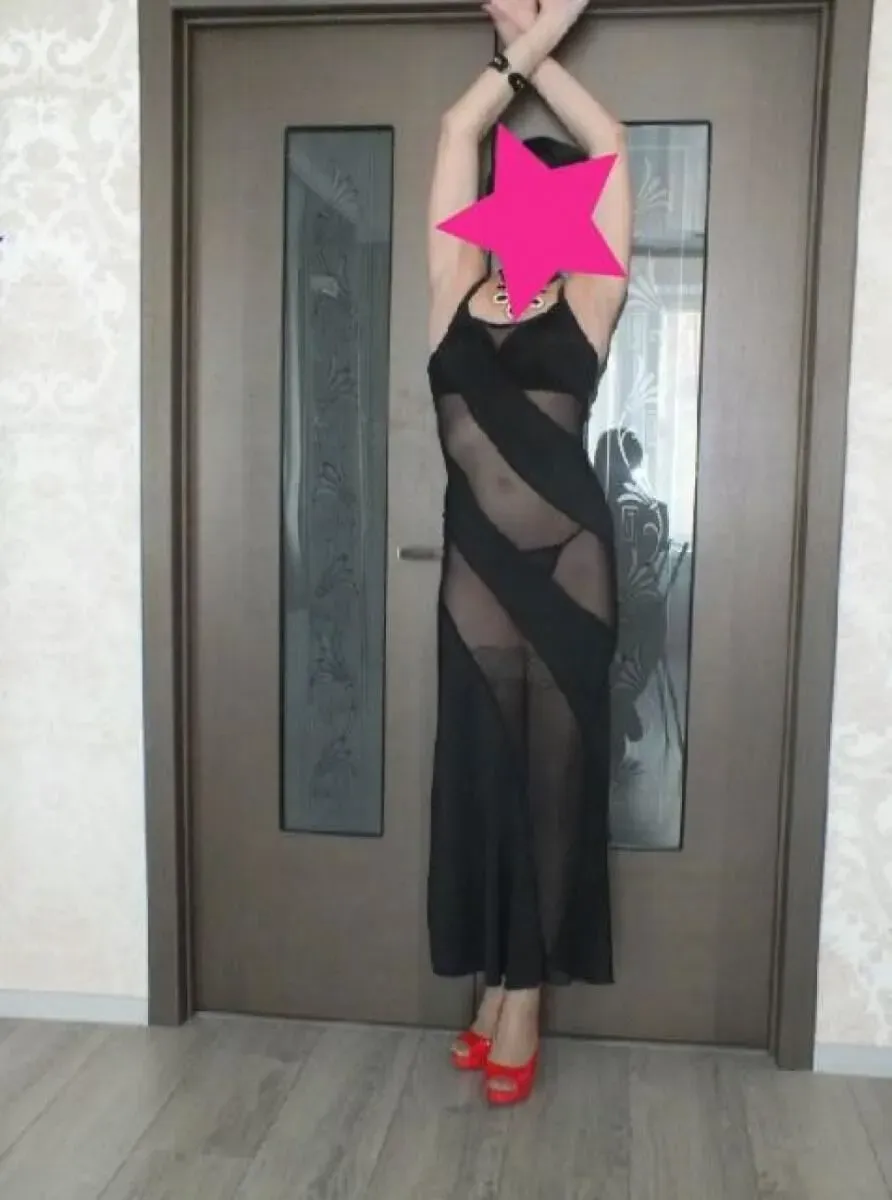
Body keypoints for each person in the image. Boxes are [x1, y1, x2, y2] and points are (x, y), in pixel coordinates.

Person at [426, 0, 632, 1106]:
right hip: (474, 575)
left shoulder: (590, 302)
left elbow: (610, 142)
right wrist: (521, 40)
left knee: (550, 791)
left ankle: (523, 1001)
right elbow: (457, 130)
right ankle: (495, 978)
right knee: (482, 781)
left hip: (570, 574)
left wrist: (555, 33)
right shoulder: (450, 294)